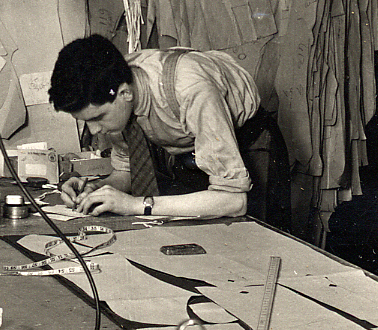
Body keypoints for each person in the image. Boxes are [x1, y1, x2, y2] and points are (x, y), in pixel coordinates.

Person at [47, 33, 271, 220]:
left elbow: (234, 200)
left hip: (249, 145)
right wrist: (97, 190)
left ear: (125, 93)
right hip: (192, 151)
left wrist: (136, 205)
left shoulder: (190, 89)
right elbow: (127, 171)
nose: (95, 130)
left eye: (98, 118)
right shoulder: (115, 92)